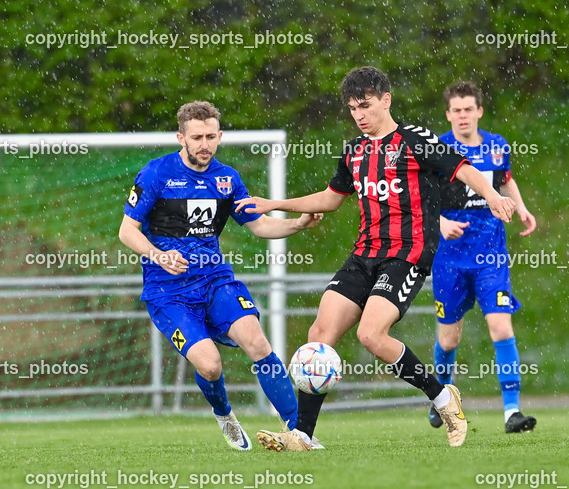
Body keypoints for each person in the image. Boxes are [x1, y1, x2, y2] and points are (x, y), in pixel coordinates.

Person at [235, 66, 516, 451]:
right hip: (365, 253)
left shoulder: (415, 140)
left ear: (386, 100)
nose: (359, 115)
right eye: (352, 108)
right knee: (320, 335)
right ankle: (303, 434)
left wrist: (494, 196)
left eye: (365, 106)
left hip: (408, 253)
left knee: (371, 335)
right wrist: (276, 203)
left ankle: (442, 397)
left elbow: (465, 170)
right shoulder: (354, 151)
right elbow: (332, 198)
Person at [119, 101, 322, 450]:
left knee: (258, 342)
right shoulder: (156, 174)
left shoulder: (227, 179)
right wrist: (159, 255)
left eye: (211, 136)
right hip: (168, 294)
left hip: (215, 281)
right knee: (210, 366)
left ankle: (300, 432)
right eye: (196, 137)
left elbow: (258, 224)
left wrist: (298, 223)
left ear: (220, 136)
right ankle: (225, 416)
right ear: (180, 137)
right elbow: (127, 231)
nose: (204, 145)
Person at [428, 81, 537, 433]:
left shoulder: (496, 146)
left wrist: (520, 207)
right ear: (448, 114)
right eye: (456, 110)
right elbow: (421, 199)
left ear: (479, 111)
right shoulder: (438, 149)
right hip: (449, 259)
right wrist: (441, 222)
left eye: (468, 109)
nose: (462, 116)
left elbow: (505, 181)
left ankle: (511, 412)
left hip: (491, 255)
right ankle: (440, 398)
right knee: (449, 339)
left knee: (501, 326)